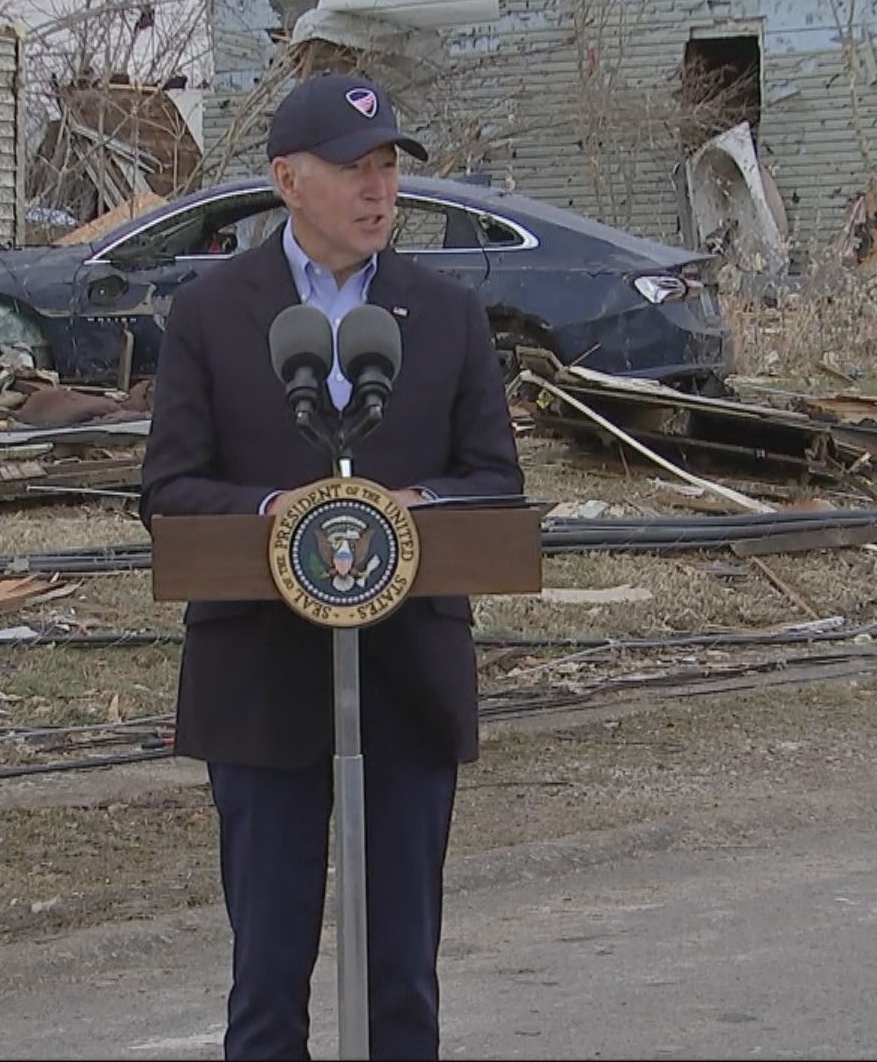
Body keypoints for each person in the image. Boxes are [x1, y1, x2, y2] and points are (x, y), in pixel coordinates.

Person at [138, 72, 524, 1061]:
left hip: (406, 678)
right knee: (267, 977)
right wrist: (286, 517)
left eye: (389, 167)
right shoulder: (213, 314)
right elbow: (171, 490)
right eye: (354, 168)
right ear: (285, 179)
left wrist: (410, 510)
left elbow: (493, 482)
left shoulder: (446, 315)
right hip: (261, 679)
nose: (378, 189)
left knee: (403, 972)